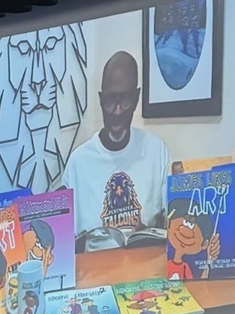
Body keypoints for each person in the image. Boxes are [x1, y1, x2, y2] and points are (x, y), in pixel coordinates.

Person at [61, 52, 171, 241]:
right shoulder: (78, 163)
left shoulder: (156, 151)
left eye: (125, 100)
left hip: (145, 263)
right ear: (101, 100)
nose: (117, 112)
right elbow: (63, 241)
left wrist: (147, 234)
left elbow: (174, 222)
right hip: (94, 267)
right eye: (110, 101)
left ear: (136, 98)